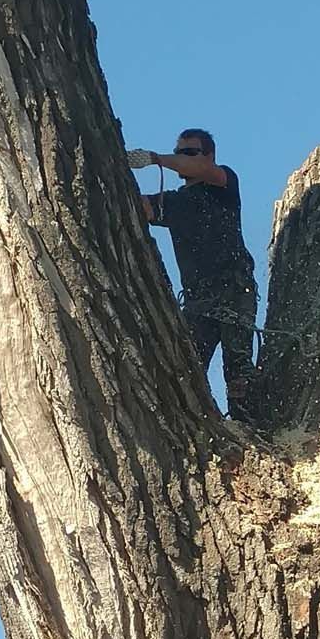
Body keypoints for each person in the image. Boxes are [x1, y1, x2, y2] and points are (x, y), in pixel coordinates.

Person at [127, 130, 257, 422]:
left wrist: (156, 159)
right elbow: (140, 206)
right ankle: (200, 423)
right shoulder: (173, 203)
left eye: (190, 152)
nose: (182, 157)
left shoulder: (223, 184)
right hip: (199, 300)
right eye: (179, 151)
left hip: (235, 290)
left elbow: (200, 169)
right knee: (184, 366)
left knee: (238, 369)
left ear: (209, 155)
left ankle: (248, 426)